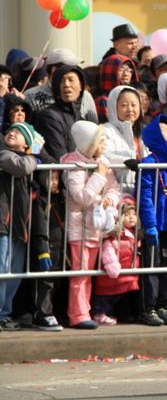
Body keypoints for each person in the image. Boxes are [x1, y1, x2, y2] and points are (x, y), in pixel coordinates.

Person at [60, 121, 121, 329]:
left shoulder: (102, 162)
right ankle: (77, 314)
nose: (104, 144)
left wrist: (110, 201)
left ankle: (85, 311)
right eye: (100, 140)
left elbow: (114, 188)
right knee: (80, 273)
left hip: (96, 226)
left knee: (88, 273)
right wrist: (99, 176)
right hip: (79, 229)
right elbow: (82, 196)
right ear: (89, 143)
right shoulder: (74, 165)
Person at [137, 114, 167, 327]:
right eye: (165, 132)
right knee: (152, 268)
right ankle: (149, 308)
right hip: (154, 225)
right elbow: (144, 197)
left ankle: (166, 306)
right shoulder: (148, 163)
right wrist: (150, 225)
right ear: (155, 137)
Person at [0, 122, 46, 331]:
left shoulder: (26, 157)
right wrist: (34, 158)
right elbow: (22, 166)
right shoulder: (4, 154)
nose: (12, 133)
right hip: (3, 223)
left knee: (15, 272)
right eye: (11, 131)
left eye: (18, 133)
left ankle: (5, 313)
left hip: (19, 225)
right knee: (2, 269)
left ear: (26, 143)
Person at [32, 65, 99, 162]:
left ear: (81, 85)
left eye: (71, 80)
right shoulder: (48, 116)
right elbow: (60, 156)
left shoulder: (84, 117)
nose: (66, 84)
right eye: (62, 81)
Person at [92, 196, 140, 326]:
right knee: (105, 296)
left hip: (125, 275)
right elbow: (108, 250)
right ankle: (99, 314)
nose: (131, 217)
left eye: (134, 214)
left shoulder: (133, 234)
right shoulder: (115, 235)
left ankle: (121, 313)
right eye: (126, 214)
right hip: (112, 275)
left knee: (120, 296)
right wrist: (112, 264)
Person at [31, 168, 65, 331]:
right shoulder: (41, 200)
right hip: (47, 247)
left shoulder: (61, 198)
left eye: (57, 178)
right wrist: (42, 250)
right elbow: (40, 226)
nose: (54, 182)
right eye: (51, 178)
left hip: (60, 248)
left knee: (56, 283)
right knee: (45, 283)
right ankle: (42, 314)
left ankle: (52, 312)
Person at [24, 48, 98, 121]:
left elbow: (94, 127)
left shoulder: (85, 96)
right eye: (71, 67)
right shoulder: (31, 95)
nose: (75, 70)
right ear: (54, 70)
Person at [102, 85, 148, 194]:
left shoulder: (146, 131)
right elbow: (104, 155)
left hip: (145, 190)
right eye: (124, 105)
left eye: (133, 105)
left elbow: (164, 151)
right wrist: (124, 161)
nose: (130, 109)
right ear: (113, 107)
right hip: (115, 193)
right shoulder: (105, 130)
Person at [95, 54, 139, 123]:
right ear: (109, 71)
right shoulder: (104, 101)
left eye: (129, 70)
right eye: (121, 69)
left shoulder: (133, 96)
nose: (126, 74)